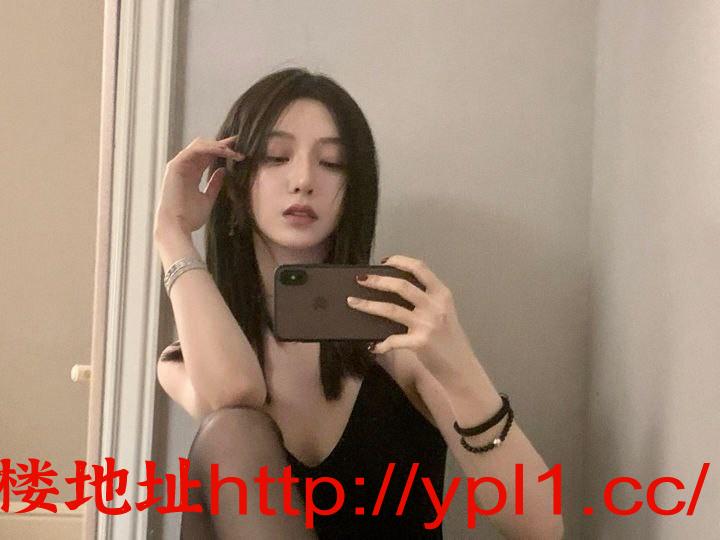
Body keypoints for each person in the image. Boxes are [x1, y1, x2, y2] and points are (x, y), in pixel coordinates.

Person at [154, 68, 564, 539]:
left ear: (355, 190)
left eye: (332, 163)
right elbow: (234, 393)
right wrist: (171, 233)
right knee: (232, 430)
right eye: (276, 156)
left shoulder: (397, 332)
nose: (303, 179)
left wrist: (456, 362)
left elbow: (541, 527)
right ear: (236, 182)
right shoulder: (184, 363)